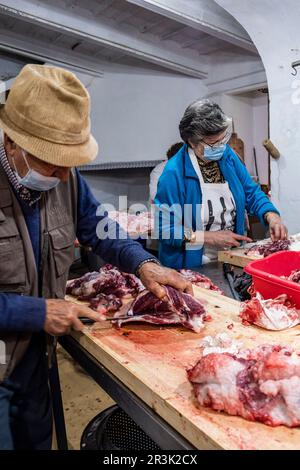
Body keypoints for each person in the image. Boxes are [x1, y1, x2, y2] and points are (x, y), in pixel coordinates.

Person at [0, 64, 192, 450]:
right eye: (52, 162)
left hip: (35, 358)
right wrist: (37, 312)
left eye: (72, 162)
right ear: (11, 142)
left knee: (37, 441)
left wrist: (144, 264)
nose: (66, 176)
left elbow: (100, 228)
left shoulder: (65, 180)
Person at [154, 99, 287, 268]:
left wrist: (271, 215)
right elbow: (164, 229)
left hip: (231, 254)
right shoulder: (173, 173)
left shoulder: (227, 155)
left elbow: (251, 192)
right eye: (212, 143)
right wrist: (207, 237)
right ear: (192, 142)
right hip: (192, 263)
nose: (220, 146)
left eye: (222, 139)